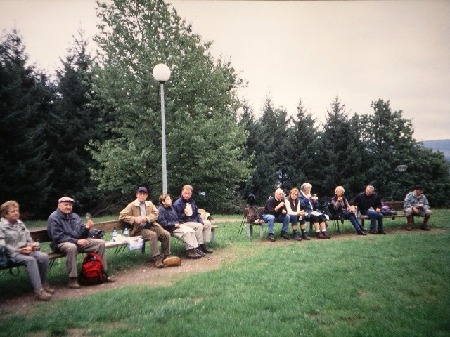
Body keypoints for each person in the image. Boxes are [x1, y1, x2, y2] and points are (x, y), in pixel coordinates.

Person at [47, 197, 113, 289]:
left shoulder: (74, 216)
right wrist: (76, 241)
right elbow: (58, 237)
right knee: (72, 247)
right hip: (61, 243)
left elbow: (82, 234)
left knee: (100, 243)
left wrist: (86, 228)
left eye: (70, 205)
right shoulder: (54, 218)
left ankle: (102, 273)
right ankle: (73, 279)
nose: (68, 207)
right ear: (59, 205)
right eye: (66, 205)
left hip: (78, 241)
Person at [0, 200, 54, 300]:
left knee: (44, 256)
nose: (16, 213)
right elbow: (2, 245)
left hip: (27, 251)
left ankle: (43, 283)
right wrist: (19, 250)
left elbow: (29, 239)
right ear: (5, 214)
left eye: (17, 211)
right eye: (13, 211)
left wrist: (31, 246)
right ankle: (39, 291)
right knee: (31, 260)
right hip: (12, 254)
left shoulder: (20, 224)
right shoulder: (1, 226)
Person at [119, 186, 172, 268]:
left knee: (166, 234)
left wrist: (147, 218)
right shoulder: (132, 205)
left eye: (144, 194)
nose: (142, 196)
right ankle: (157, 258)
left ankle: (165, 256)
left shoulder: (149, 204)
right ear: (137, 195)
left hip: (150, 225)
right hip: (137, 229)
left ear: (146, 196)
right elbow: (122, 215)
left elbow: (156, 213)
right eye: (140, 194)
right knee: (152, 235)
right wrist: (134, 219)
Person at [157, 194, 203, 259]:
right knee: (187, 233)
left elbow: (177, 218)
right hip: (170, 229)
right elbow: (163, 223)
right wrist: (173, 224)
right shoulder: (160, 210)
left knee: (191, 230)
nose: (170, 200)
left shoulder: (171, 207)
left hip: (177, 225)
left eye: (170, 199)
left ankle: (194, 249)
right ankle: (190, 252)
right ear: (163, 202)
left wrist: (184, 214)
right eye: (168, 199)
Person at [173, 185, 213, 254]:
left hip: (193, 220)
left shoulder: (192, 201)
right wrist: (184, 214)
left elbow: (197, 213)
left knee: (207, 223)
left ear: (191, 194)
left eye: (189, 193)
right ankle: (198, 246)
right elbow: (176, 218)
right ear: (182, 192)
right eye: (185, 193)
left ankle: (204, 244)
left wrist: (200, 221)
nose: (187, 195)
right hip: (184, 222)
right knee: (198, 226)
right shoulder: (178, 203)